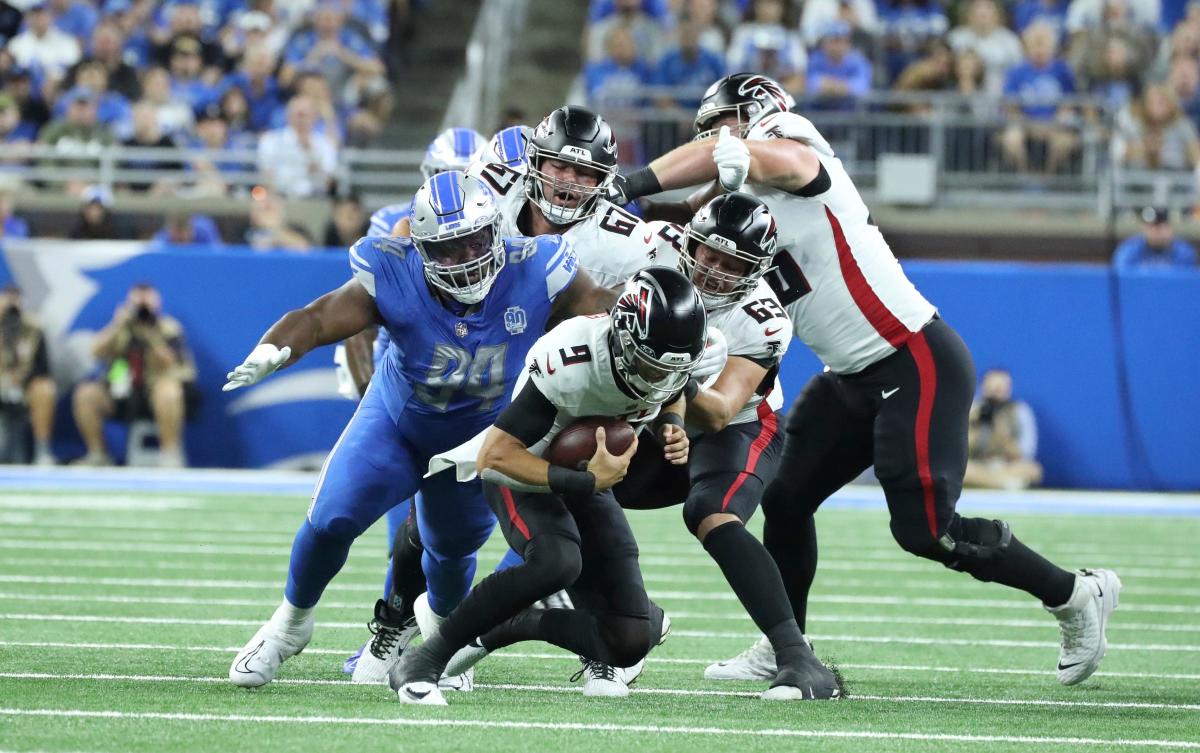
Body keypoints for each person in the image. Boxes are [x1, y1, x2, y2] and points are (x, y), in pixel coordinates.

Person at [611, 71, 1120, 695]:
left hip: (911, 355)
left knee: (925, 530)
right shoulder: (740, 203)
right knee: (788, 497)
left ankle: (1074, 594)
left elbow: (730, 154)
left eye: (716, 128)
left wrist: (627, 181)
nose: (710, 143)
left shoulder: (790, 142)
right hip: (847, 373)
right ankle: (787, 646)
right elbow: (685, 214)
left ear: (747, 117)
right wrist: (606, 210)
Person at [225, 170, 621, 690]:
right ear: (420, 247)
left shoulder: (539, 266)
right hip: (397, 424)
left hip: (480, 441)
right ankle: (289, 625)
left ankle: (440, 642)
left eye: (474, 241)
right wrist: (277, 346)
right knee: (330, 519)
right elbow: (318, 318)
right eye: (447, 249)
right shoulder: (393, 268)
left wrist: (658, 330)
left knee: (452, 552)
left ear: (496, 233)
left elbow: (604, 310)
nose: (463, 259)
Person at [389, 267, 705, 707]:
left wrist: (671, 424)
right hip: (524, 468)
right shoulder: (573, 362)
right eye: (647, 364)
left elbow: (673, 388)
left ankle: (515, 622)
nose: (654, 377)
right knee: (557, 561)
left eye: (665, 368)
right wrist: (586, 480)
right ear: (623, 335)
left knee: (631, 639)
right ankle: (426, 659)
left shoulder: (668, 357)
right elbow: (494, 457)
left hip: (585, 474)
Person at [71, 282, 197, 468]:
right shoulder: (121, 328)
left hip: (155, 390)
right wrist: (118, 324)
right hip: (121, 390)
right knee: (86, 394)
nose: (142, 309)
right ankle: (98, 454)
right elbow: (96, 351)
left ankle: (169, 454)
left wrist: (148, 335)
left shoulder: (168, 328)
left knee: (169, 392)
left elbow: (170, 360)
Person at [0, 285, 56, 466]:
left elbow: (43, 368)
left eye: (15, 299)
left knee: (44, 389)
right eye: (7, 299)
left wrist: (21, 379)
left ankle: (42, 450)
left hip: (23, 386)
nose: (11, 305)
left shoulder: (33, 329)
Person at [964, 368, 1044, 490]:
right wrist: (974, 426)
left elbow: (1025, 453)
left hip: (1006, 465)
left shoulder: (1019, 412)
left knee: (1033, 470)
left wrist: (1002, 433)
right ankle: (1001, 483)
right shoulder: (972, 410)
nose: (995, 393)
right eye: (992, 388)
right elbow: (961, 451)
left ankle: (987, 482)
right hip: (978, 465)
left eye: (1000, 388)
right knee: (962, 470)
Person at [256, 95, 338, 198]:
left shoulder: (325, 144)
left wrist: (310, 152)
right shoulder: (270, 140)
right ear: (288, 115)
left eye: (305, 115)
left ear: (314, 116)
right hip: (281, 196)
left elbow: (329, 180)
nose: (301, 119)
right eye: (298, 115)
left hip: (315, 198)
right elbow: (266, 173)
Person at [1112, 206, 1198, 268]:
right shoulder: (1129, 250)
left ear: (1169, 228)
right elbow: (1122, 276)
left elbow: (1185, 282)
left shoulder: (1183, 251)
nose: (1154, 232)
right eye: (1150, 227)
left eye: (1158, 227)